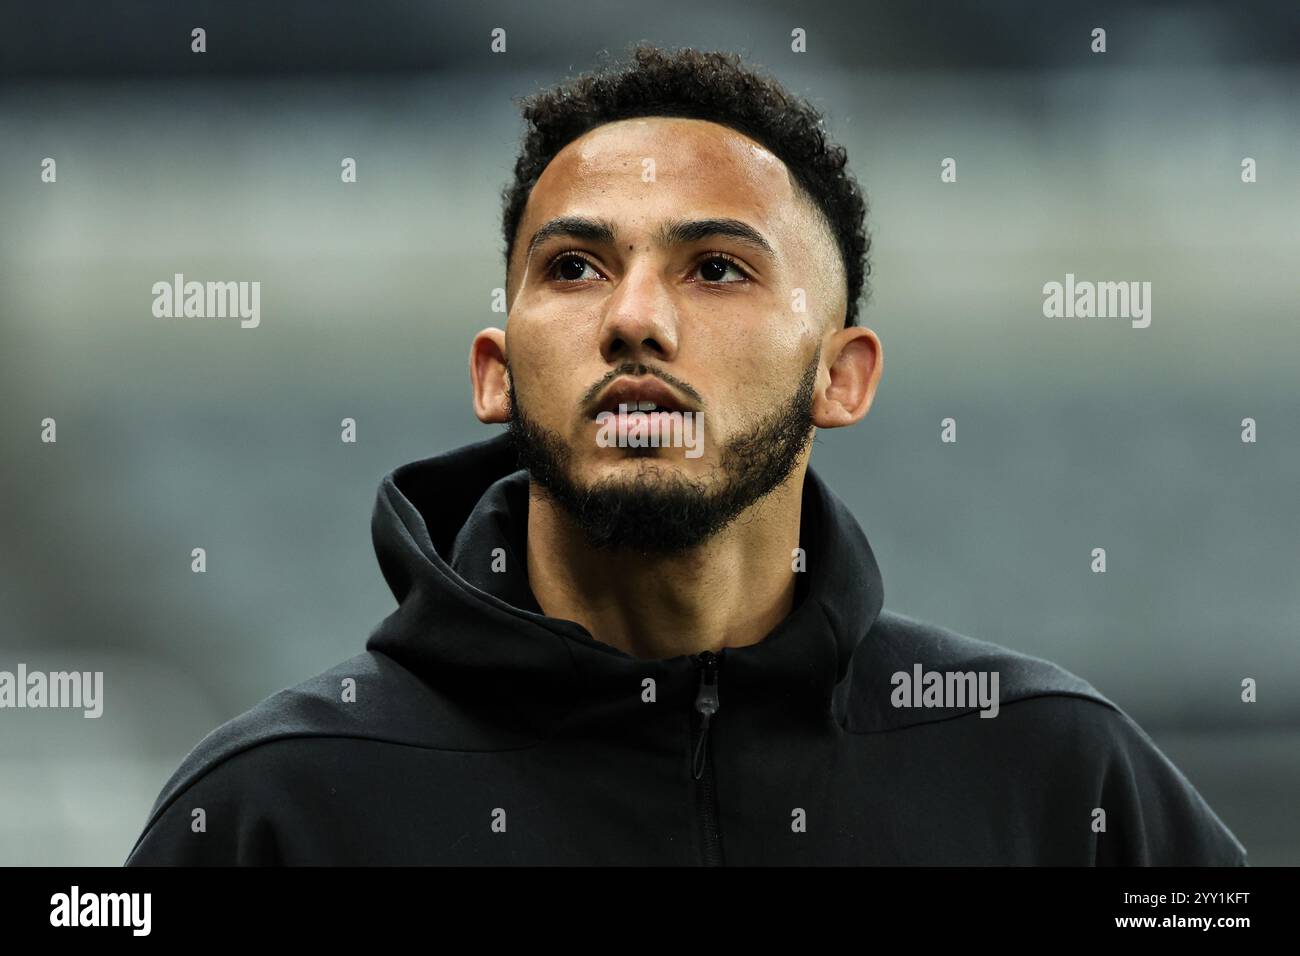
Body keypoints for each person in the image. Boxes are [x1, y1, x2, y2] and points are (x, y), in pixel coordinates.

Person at [125, 46, 1246, 866]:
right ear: (495, 371)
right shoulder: (275, 807)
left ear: (840, 376)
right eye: (572, 267)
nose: (635, 320)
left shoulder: (1047, 771)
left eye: (716, 268)